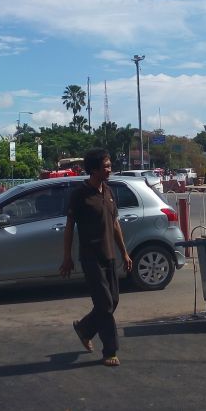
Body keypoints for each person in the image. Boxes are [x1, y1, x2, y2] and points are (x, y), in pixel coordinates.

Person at [60, 148, 132, 367]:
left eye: (110, 166)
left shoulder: (108, 191)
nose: (110, 169)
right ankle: (110, 351)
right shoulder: (80, 195)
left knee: (113, 301)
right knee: (105, 303)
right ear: (93, 169)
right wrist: (67, 256)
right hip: (90, 257)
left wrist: (124, 252)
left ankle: (85, 328)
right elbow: (69, 227)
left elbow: (115, 224)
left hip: (109, 255)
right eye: (106, 166)